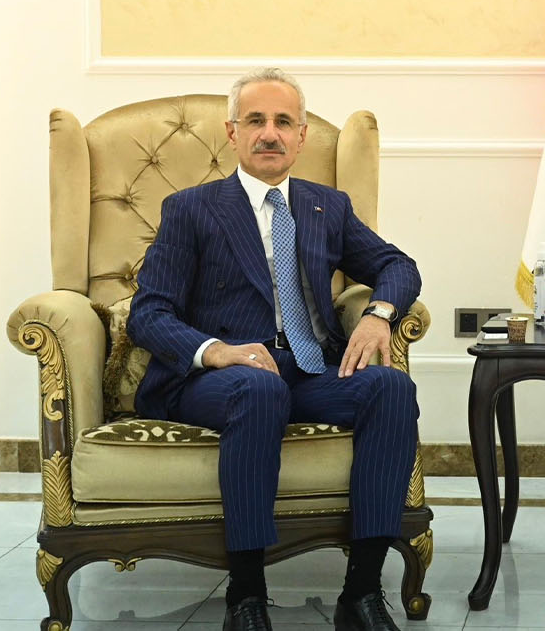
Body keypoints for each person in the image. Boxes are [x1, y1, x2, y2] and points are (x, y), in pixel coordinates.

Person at [128, 67, 420, 631]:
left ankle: (361, 593)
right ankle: (246, 596)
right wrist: (215, 350)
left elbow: (396, 265)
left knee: (390, 386)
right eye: (255, 121)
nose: (270, 133)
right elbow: (149, 313)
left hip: (309, 368)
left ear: (301, 136)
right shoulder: (191, 208)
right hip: (221, 380)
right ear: (232, 132)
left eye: (283, 122)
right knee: (259, 388)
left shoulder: (326, 206)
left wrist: (379, 314)